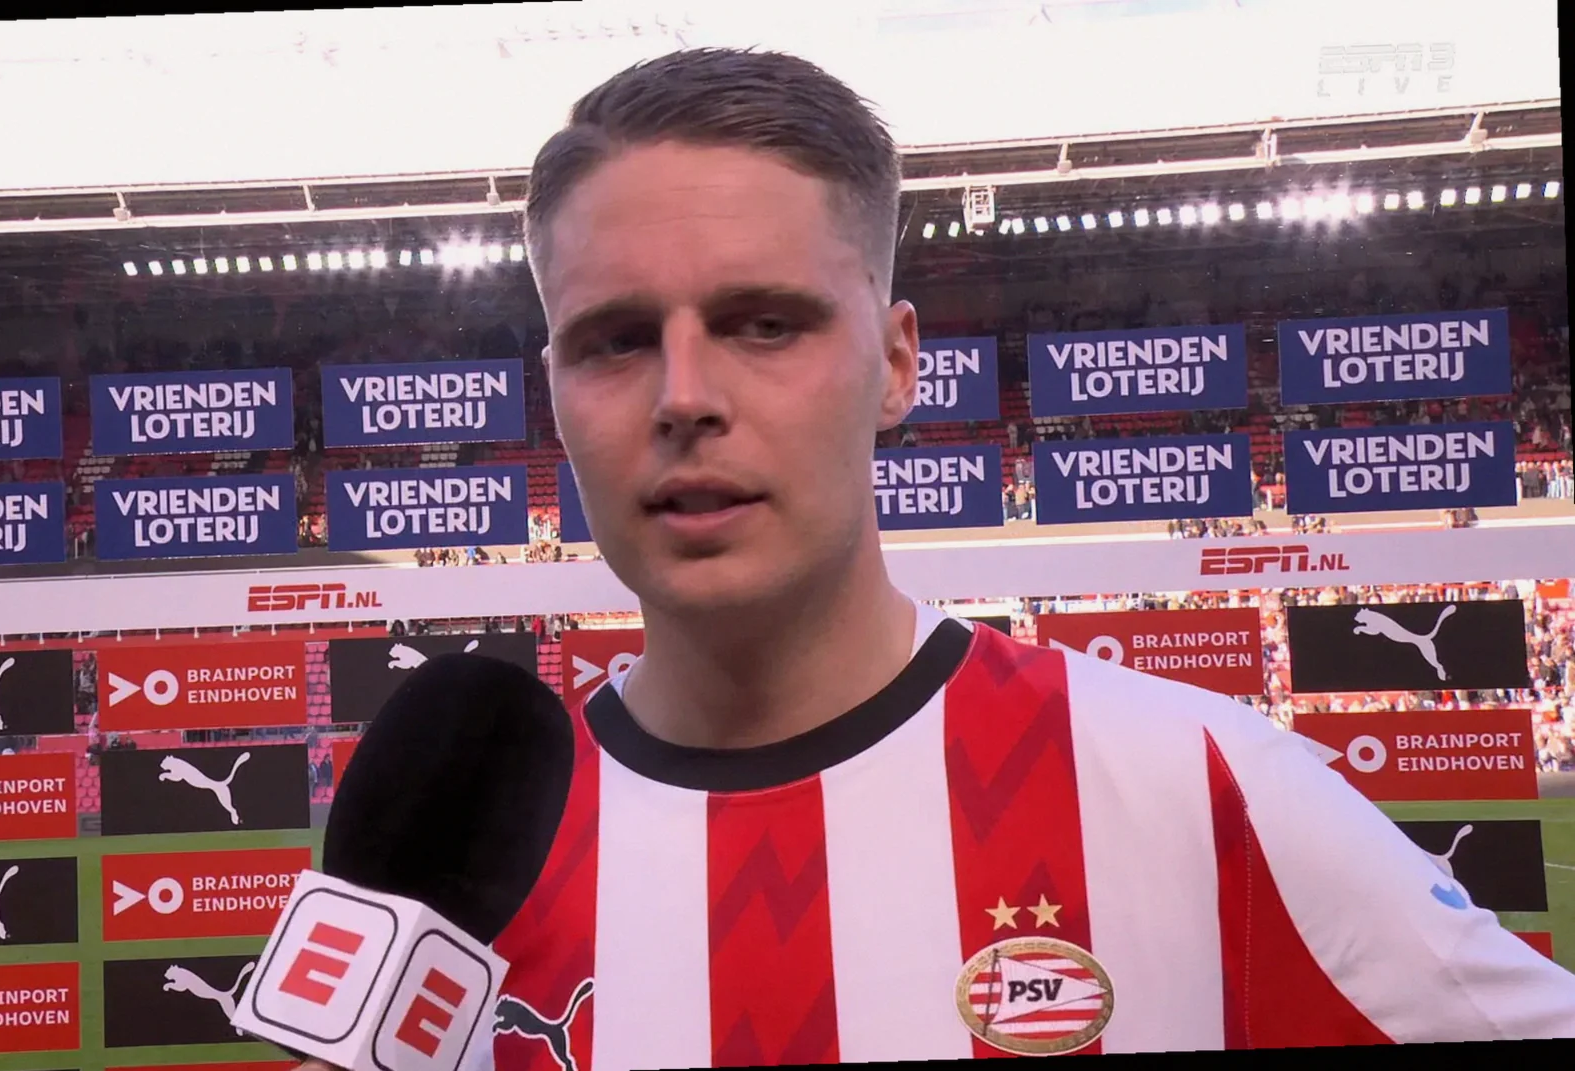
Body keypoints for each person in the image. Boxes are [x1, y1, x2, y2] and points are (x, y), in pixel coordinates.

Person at [304, 47, 1575, 1071]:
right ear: (556, 392)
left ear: (898, 363)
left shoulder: (1207, 791)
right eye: (617, 340)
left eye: (764, 324)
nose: (685, 395)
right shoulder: (457, 866)